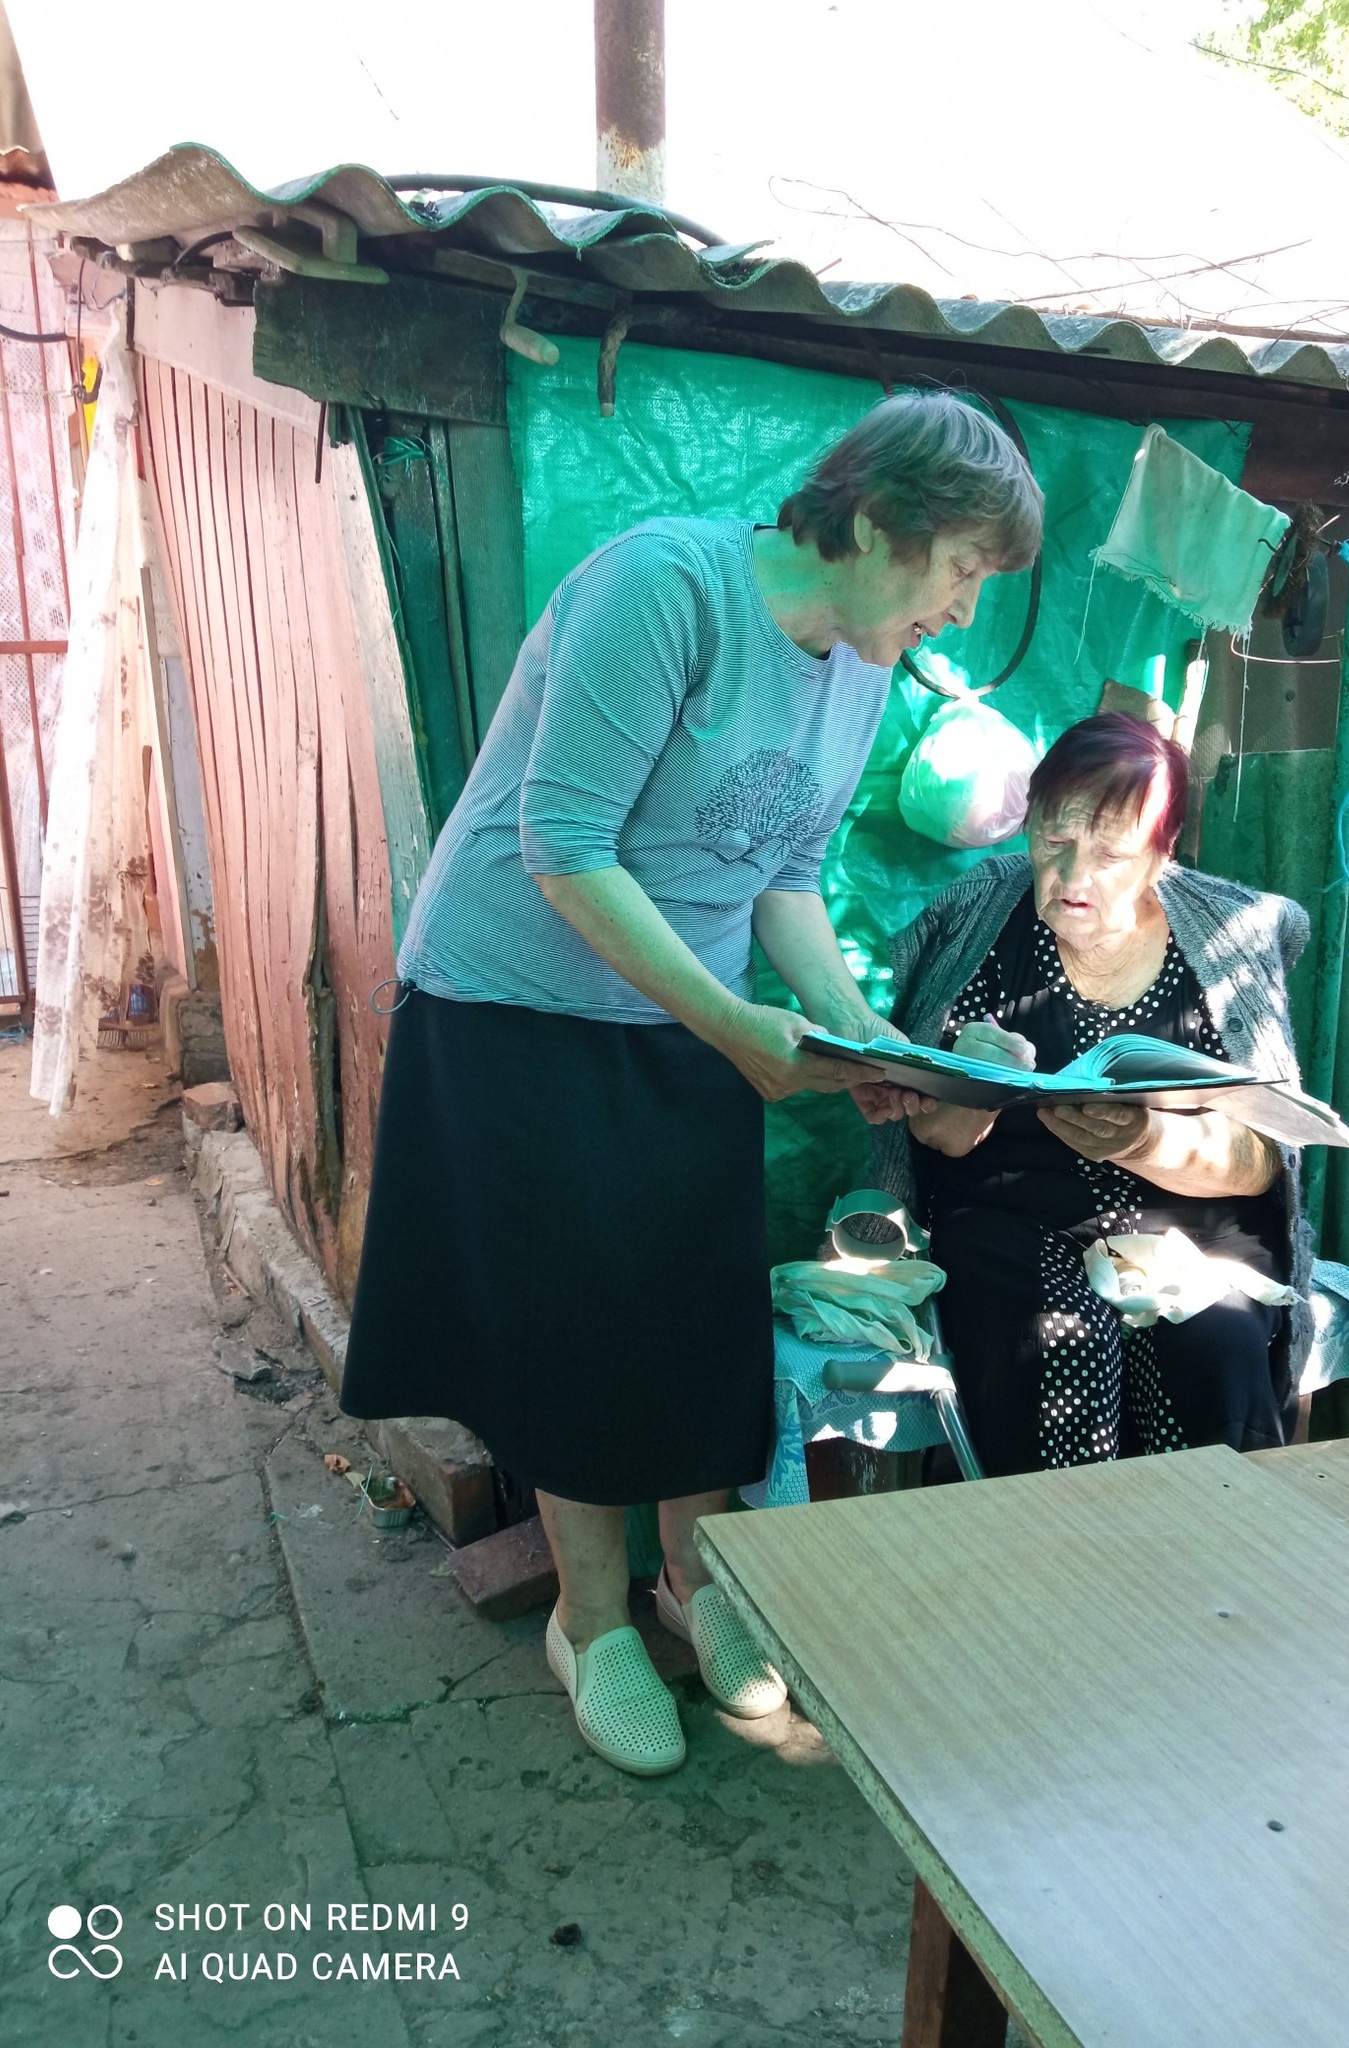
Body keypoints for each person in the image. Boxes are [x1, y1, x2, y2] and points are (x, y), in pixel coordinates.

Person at [341, 392, 1044, 1775]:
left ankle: (693, 1582)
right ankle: (591, 1622)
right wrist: (729, 1022)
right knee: (580, 1322)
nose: (965, 610)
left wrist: (860, 1034)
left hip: (686, 1014)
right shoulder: (666, 588)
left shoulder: (859, 667)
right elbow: (563, 844)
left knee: (693, 1306)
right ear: (879, 522)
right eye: (963, 570)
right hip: (520, 1006)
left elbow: (786, 876)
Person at [873, 712, 1313, 1478]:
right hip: (1012, 1226)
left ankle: (1212, 1552)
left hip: (1192, 1234)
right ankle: (1055, 1552)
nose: (1074, 875)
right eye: (1054, 839)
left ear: (1162, 853)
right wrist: (970, 1086)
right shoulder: (982, 920)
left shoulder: (1228, 938)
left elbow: (1264, 1162)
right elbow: (931, 1136)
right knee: (1056, 1348)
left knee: (1214, 1353)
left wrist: (1148, 1139)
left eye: (1111, 852)